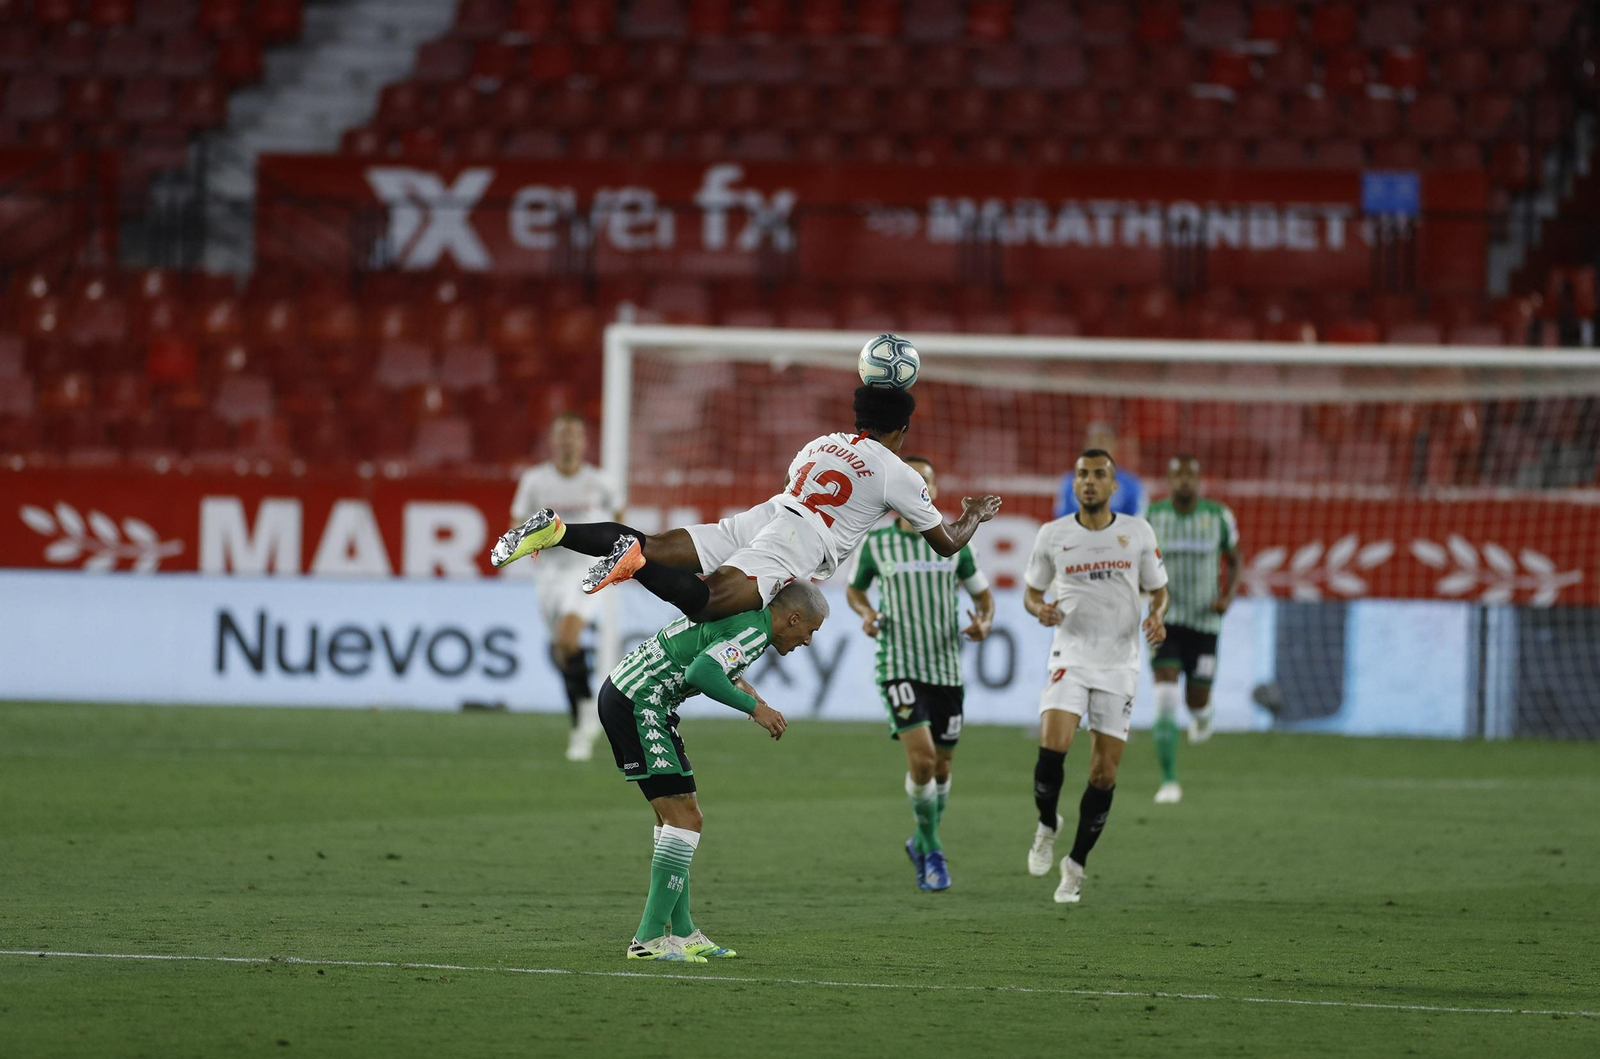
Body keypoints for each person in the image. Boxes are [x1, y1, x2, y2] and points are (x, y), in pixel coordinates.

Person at [491, 385, 1003, 624]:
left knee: (655, 541)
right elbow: (946, 545)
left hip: (768, 514)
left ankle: (558, 531)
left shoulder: (822, 443)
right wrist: (975, 513)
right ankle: (635, 564)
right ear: (901, 430)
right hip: (797, 541)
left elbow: (791, 481)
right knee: (709, 603)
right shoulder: (900, 471)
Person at [599, 581, 828, 962]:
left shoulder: (749, 618)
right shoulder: (754, 631)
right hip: (641, 702)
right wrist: (754, 709)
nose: (808, 641)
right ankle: (649, 939)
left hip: (640, 699)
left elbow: (709, 655)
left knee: (676, 819)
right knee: (686, 819)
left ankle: (684, 932)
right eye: (810, 631)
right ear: (792, 618)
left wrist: (744, 688)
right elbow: (702, 672)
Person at [1024, 449, 1169, 904]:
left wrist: (1157, 616)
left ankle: (1076, 865)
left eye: (1098, 475)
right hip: (1071, 654)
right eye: (1082, 475)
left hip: (1120, 663)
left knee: (1104, 775)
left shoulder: (1137, 533)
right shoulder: (1052, 535)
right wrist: (1040, 609)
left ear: (1113, 486)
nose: (1089, 482)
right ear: (1074, 485)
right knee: (1053, 749)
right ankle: (1047, 825)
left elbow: (1159, 590)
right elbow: (1031, 592)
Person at [845, 456, 995, 892]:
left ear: (932, 489)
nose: (918, 490)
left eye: (925, 483)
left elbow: (984, 598)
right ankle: (931, 849)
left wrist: (983, 622)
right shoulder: (877, 543)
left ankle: (922, 839)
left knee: (943, 768)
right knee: (924, 760)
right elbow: (855, 589)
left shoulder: (956, 543)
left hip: (946, 667)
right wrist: (868, 612)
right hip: (898, 664)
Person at [507, 413, 621, 762]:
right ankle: (583, 713)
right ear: (553, 442)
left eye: (575, 435)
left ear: (585, 443)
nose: (568, 441)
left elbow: (620, 521)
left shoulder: (601, 481)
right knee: (561, 650)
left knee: (569, 638)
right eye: (562, 435)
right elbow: (515, 523)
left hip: (588, 570)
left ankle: (584, 721)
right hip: (550, 576)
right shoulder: (534, 481)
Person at [1145, 455, 1241, 804]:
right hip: (1165, 619)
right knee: (1165, 697)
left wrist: (1227, 596)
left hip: (1204, 622)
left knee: (1195, 701)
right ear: (1169, 481)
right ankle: (1169, 780)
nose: (1184, 482)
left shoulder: (1218, 516)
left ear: (1198, 481)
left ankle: (1203, 715)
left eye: (1190, 476)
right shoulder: (1152, 517)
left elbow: (1235, 557)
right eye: (1177, 476)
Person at [1053, 423, 1147, 519]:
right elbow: (1061, 519)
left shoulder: (1131, 484)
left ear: (1114, 446)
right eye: (1095, 443)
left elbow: (1138, 519)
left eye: (1104, 443)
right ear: (1086, 445)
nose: (1099, 448)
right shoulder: (1069, 482)